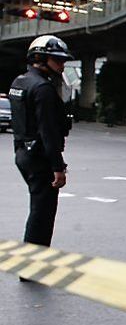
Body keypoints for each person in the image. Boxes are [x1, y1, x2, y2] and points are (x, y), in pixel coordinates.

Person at [9, 35, 73, 250]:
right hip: (40, 157)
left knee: (38, 207)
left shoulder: (20, 82)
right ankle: (33, 263)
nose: (62, 66)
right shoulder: (43, 88)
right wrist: (58, 166)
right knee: (42, 213)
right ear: (40, 58)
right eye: (57, 60)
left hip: (22, 152)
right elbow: (48, 131)